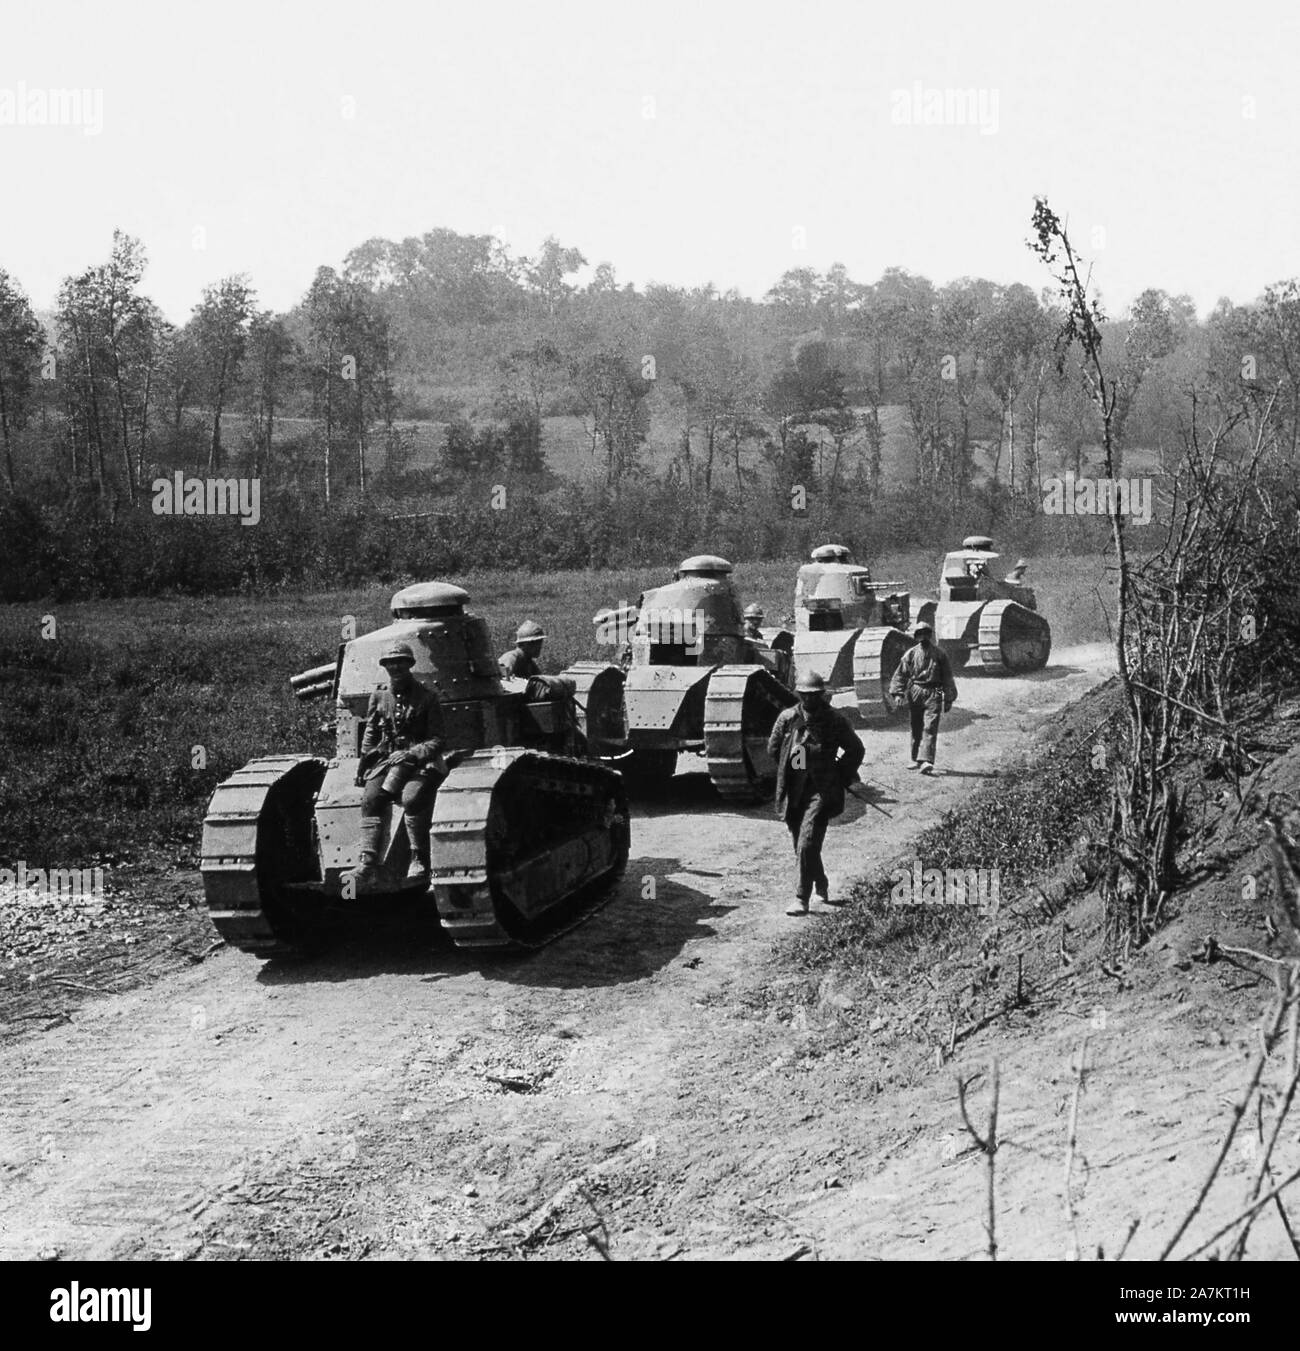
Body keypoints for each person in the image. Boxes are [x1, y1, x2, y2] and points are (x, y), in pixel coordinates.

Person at [766, 671, 865, 916]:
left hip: (822, 790)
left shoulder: (834, 720)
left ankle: (802, 898)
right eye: (804, 695)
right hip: (793, 790)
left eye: (814, 695)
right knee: (801, 845)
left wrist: (840, 773)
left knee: (807, 841)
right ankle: (820, 882)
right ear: (798, 694)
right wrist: (792, 766)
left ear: (822, 695)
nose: (809, 699)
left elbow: (855, 749)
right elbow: (773, 749)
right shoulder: (788, 718)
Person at [353, 642, 448, 888]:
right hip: (386, 760)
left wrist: (412, 753)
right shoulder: (380, 695)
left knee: (411, 799)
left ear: (410, 665)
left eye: (401, 662)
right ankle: (367, 860)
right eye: (390, 663)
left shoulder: (427, 697)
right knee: (371, 799)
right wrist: (366, 760)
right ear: (384, 666)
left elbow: (437, 739)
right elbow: (372, 731)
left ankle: (418, 858)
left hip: (419, 762)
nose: (395, 667)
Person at [888, 622, 957, 775]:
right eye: (920, 634)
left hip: (935, 690)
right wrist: (898, 693)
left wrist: (949, 698)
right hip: (916, 690)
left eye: (926, 633)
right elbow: (900, 674)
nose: (923, 637)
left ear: (930, 635)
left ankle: (926, 760)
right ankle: (915, 758)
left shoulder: (940, 654)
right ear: (916, 636)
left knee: (930, 726)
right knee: (916, 725)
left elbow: (947, 677)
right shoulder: (910, 654)